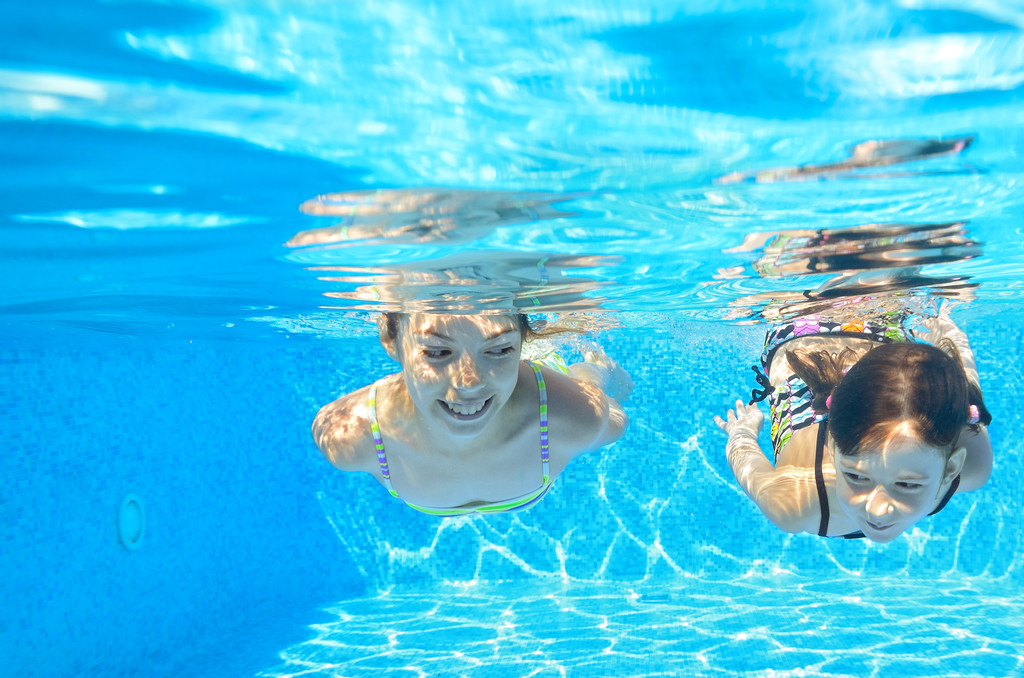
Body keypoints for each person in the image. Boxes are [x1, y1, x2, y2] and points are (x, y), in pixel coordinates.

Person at [714, 307, 992, 542]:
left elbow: (966, 396)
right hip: (856, 331)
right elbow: (965, 393)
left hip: (809, 327)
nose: (878, 509)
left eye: (907, 485)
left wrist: (743, 432)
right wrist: (742, 431)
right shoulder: (799, 501)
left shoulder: (791, 504)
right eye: (856, 477)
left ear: (951, 468)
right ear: (833, 448)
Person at [313, 312, 632, 515]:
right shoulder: (349, 435)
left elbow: (615, 417)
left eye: (500, 349)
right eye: (436, 352)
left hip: (552, 390)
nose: (468, 383)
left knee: (587, 379)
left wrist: (599, 381)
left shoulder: (575, 415)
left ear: (521, 343)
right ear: (390, 338)